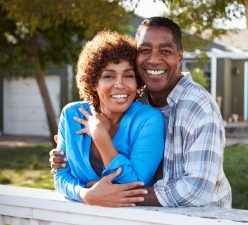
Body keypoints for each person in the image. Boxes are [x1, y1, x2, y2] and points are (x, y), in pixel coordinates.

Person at [50, 17, 232, 208]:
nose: (153, 59)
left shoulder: (198, 107)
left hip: (204, 216)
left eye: (165, 51)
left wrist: (113, 193)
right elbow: (62, 174)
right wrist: (86, 194)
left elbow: (197, 190)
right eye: (145, 50)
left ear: (180, 56)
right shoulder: (138, 100)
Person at [53, 30, 165, 206]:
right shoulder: (71, 115)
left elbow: (135, 186)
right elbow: (60, 175)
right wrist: (85, 195)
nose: (120, 84)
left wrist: (99, 135)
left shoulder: (148, 120)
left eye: (128, 75)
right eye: (109, 76)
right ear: (93, 83)